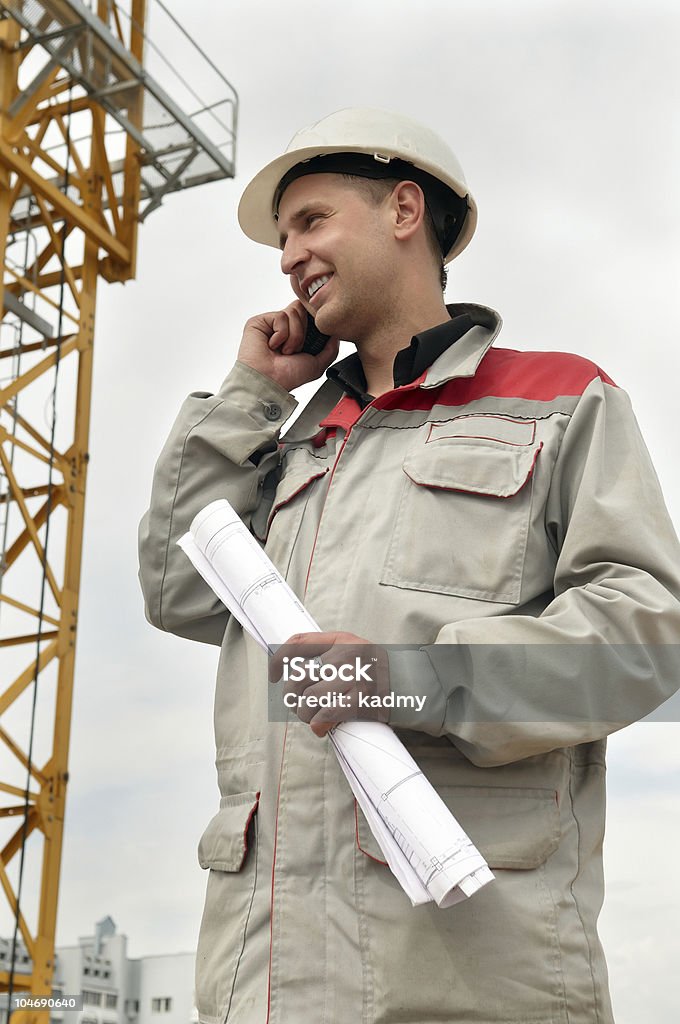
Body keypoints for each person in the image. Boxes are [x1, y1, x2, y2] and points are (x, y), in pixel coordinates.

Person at [138, 107, 680, 1024]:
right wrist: (248, 398)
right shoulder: (291, 444)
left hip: (468, 983)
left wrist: (403, 682)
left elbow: (648, 634)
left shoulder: (556, 401)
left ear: (401, 209)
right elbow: (177, 588)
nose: (286, 256)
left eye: (310, 221)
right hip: (263, 987)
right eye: (281, 237)